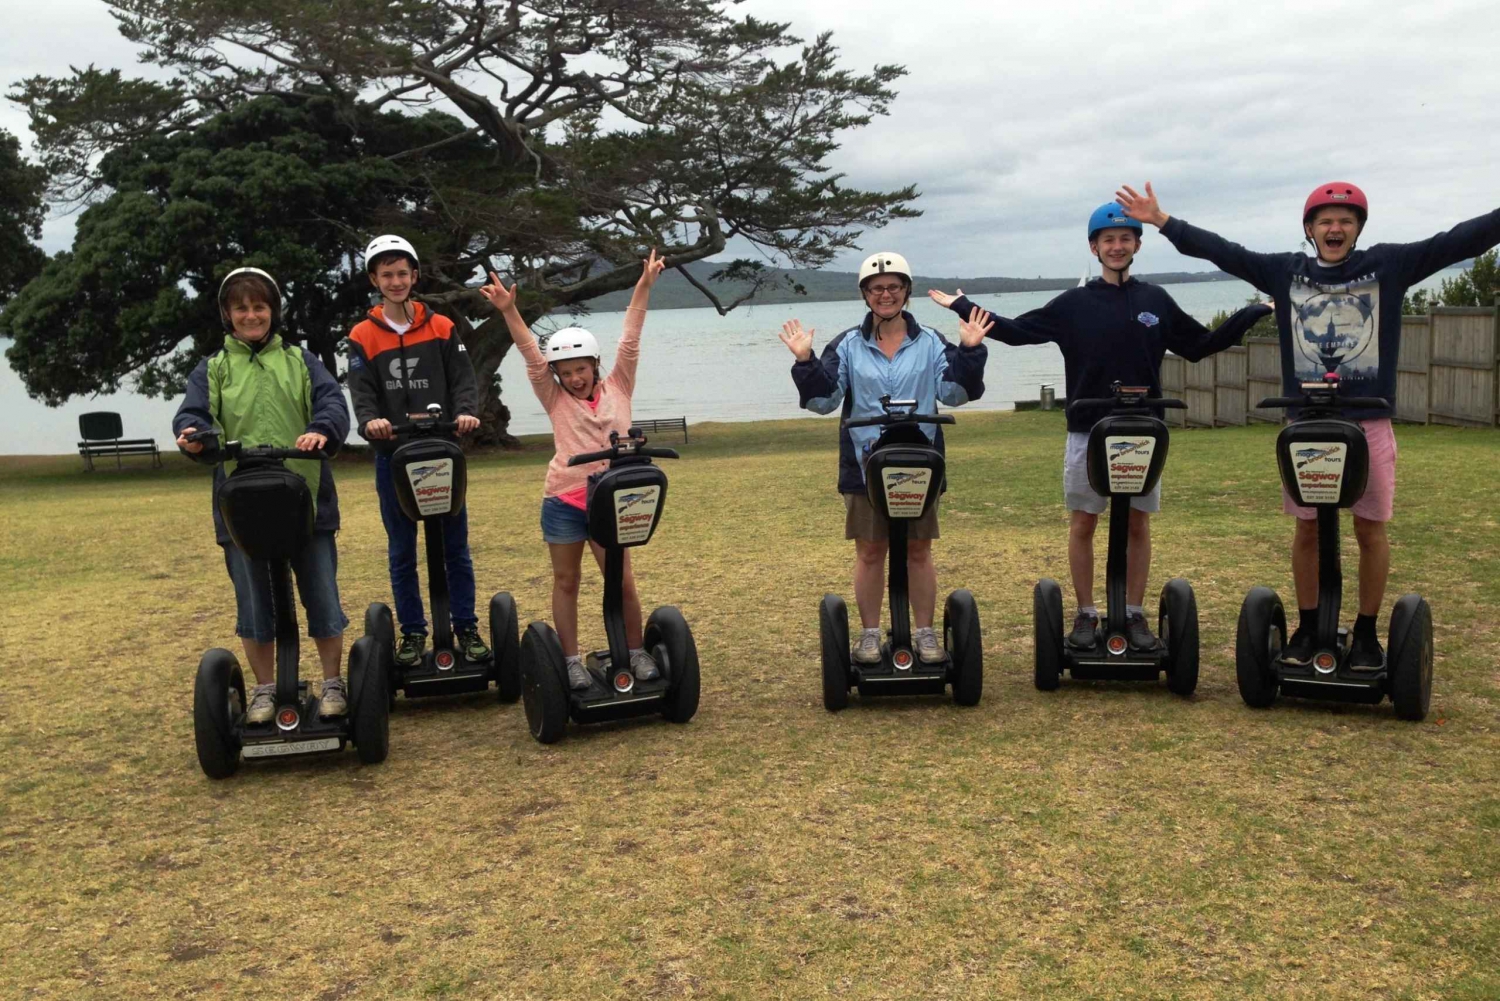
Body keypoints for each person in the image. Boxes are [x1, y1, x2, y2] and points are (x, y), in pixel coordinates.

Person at [1115, 180, 1500, 666]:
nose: (1335, 228)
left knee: (1370, 530)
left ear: (1358, 228)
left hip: (1368, 424)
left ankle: (1364, 633)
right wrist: (1164, 221)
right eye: (1325, 221)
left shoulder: (1389, 266)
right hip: (1307, 428)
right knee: (1307, 531)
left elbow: (1458, 241)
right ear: (1310, 229)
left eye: (1345, 220)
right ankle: (1307, 625)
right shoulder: (1285, 272)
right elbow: (1224, 253)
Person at [928, 205, 1272, 652]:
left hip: (1142, 432)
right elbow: (1017, 331)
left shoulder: (1155, 302)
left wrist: (1255, 312)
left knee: (1138, 526)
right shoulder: (1074, 303)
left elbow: (1200, 346)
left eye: (1125, 239)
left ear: (1137, 246)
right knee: (1084, 522)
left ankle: (1133, 613)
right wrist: (964, 305)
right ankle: (1087, 612)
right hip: (1087, 430)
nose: (1116, 246)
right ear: (1094, 247)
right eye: (1107, 240)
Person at [782, 251, 989, 665]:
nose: (885, 294)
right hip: (865, 465)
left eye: (894, 287)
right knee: (870, 551)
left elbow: (956, 394)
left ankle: (926, 633)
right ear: (865, 294)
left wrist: (968, 352)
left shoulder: (930, 342)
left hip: (919, 464)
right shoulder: (847, 345)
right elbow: (824, 400)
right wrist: (805, 360)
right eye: (876, 289)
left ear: (906, 292)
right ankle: (871, 634)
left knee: (918, 551)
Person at [478, 250, 666, 690]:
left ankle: (635, 652)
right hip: (564, 498)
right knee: (567, 581)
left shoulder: (619, 384)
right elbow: (529, 352)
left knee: (621, 580)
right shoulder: (554, 396)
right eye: (566, 372)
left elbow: (631, 337)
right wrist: (509, 310)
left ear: (594, 366)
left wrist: (644, 286)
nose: (575, 378)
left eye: (581, 369)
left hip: (612, 499)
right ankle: (570, 661)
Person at [174, 267, 352, 722]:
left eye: (259, 306)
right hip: (242, 505)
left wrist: (320, 429)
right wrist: (195, 434)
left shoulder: (300, 360)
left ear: (273, 310)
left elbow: (332, 402)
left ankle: (334, 684)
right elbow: (193, 414)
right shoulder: (212, 368)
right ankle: (265, 690)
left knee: (322, 595)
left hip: (305, 499)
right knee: (253, 603)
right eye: (241, 308)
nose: (251, 315)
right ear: (227, 315)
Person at [347, 235, 490, 669]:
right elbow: (363, 390)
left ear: (414, 276)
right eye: (386, 274)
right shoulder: (362, 335)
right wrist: (371, 421)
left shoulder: (442, 326)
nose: (395, 281)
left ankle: (465, 626)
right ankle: (412, 632)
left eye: (402, 273)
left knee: (455, 547)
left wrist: (466, 413)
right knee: (401, 549)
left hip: (442, 451)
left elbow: (463, 379)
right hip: (395, 456)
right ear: (374, 279)